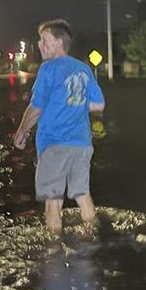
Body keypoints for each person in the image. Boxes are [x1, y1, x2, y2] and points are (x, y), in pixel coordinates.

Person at [13, 18, 105, 233]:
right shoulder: (83, 69)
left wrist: (21, 132)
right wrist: (73, 103)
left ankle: (53, 253)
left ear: (58, 43)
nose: (40, 45)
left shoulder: (49, 68)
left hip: (54, 144)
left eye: (44, 40)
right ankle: (97, 240)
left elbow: (36, 108)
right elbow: (99, 104)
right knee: (83, 195)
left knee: (52, 202)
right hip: (82, 144)